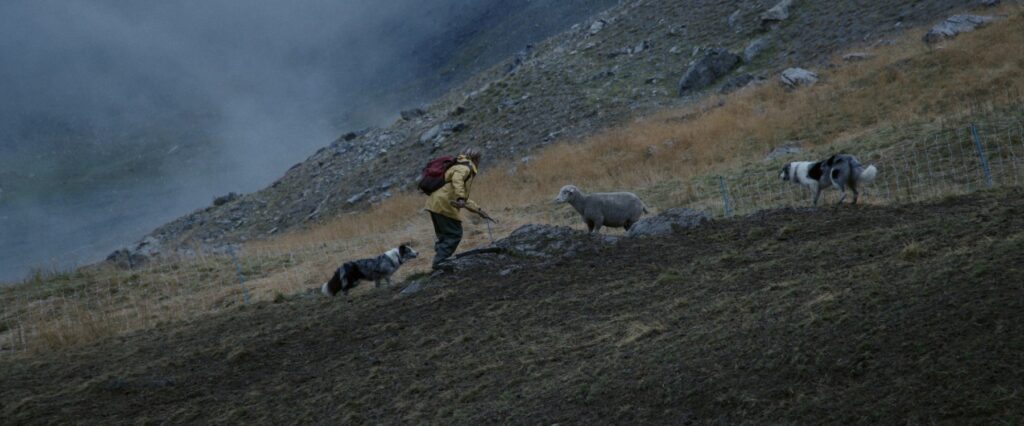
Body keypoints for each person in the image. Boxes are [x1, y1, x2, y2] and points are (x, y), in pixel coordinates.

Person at [425, 147, 490, 270]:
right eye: (479, 159)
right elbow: (457, 182)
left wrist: (479, 211)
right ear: (476, 159)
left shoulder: (458, 166)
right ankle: (440, 263)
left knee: (444, 235)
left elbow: (462, 197)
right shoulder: (465, 168)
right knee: (454, 234)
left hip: (435, 203)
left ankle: (440, 261)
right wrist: (460, 198)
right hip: (444, 204)